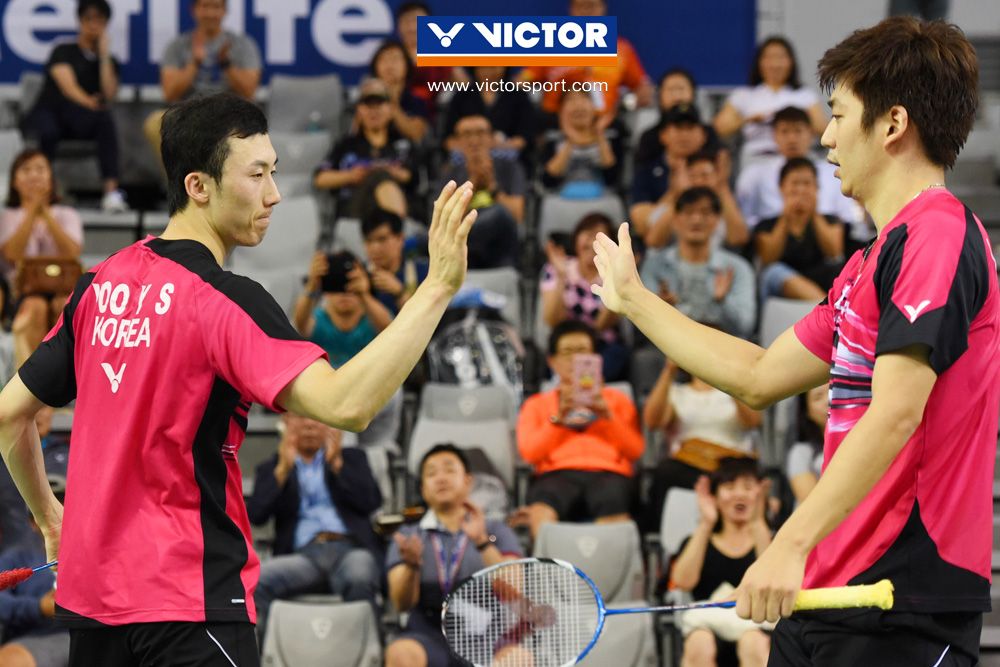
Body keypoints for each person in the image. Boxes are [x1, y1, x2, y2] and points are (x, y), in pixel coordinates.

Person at [0, 92, 478, 665]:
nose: (274, 193)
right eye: (256, 175)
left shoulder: (99, 285)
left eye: (274, 171)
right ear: (199, 186)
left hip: (92, 607)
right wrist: (437, 288)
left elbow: (8, 416)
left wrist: (52, 517)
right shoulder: (225, 301)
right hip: (189, 603)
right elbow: (348, 405)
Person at [590, 17, 995, 666]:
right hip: (825, 595)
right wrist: (636, 300)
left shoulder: (938, 237)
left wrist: (787, 542)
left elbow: (896, 412)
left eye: (838, 114)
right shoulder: (868, 264)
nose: (827, 135)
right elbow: (757, 374)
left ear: (891, 125)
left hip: (900, 603)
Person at [384, 444, 522, 667]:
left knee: (519, 660)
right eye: (431, 473)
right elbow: (401, 603)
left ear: (468, 481)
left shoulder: (495, 530)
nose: (440, 478)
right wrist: (411, 566)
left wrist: (482, 543)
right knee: (402, 654)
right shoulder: (409, 536)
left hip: (487, 635)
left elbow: (514, 590)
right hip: (429, 632)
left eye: (449, 470)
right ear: (422, 489)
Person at [247, 414, 382, 639]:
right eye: (302, 419)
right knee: (258, 581)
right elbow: (257, 515)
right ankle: (270, 655)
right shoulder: (273, 467)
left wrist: (338, 464)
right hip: (303, 558)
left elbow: (370, 502)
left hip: (349, 550)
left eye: (317, 418)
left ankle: (368, 654)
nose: (309, 424)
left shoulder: (353, 458)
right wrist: (282, 470)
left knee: (360, 575)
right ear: (287, 423)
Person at [516, 320, 643, 538]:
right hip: (556, 475)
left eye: (583, 351)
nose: (575, 359)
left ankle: (609, 570)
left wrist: (607, 416)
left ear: (596, 358)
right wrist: (558, 420)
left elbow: (635, 451)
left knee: (615, 501)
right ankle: (547, 570)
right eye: (567, 352)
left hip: (608, 475)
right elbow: (529, 453)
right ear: (552, 362)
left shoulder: (617, 400)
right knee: (541, 508)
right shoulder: (536, 404)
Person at [21, 0, 126, 212]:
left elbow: (109, 94)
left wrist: (104, 56)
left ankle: (111, 192)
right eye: (89, 19)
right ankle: (43, 192)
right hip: (51, 111)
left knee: (105, 121)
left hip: (79, 119)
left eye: (99, 20)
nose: (93, 25)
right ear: (80, 21)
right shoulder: (63, 50)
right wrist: (90, 102)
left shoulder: (109, 60)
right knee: (47, 131)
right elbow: (67, 86)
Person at [642, 354, 760, 531]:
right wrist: (669, 371)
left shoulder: (733, 391)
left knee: (741, 476)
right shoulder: (677, 393)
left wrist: (730, 380)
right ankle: (660, 540)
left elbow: (753, 421)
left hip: (731, 463)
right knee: (664, 472)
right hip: (687, 465)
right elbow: (652, 422)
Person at [671, 460, 772, 667]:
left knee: (753, 643)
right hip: (709, 626)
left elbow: (772, 580)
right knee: (699, 644)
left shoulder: (774, 543)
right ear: (714, 497)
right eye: (729, 487)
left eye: (748, 487)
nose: (739, 494)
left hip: (758, 627)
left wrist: (757, 523)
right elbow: (683, 581)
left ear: (760, 494)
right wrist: (706, 522)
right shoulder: (696, 541)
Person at [144, 0, 263, 156]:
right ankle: (176, 179)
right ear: (194, 10)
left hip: (230, 113)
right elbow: (169, 93)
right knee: (154, 122)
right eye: (205, 6)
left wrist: (226, 64)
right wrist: (194, 63)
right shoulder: (177, 46)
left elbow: (249, 91)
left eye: (216, 7)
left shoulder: (243, 44)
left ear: (224, 11)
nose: (210, 13)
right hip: (188, 113)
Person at [0, 150, 83, 366]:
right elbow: (11, 254)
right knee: (35, 307)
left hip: (62, 289)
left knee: (61, 306)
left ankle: (66, 382)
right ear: (15, 181)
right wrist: (31, 213)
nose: (34, 175)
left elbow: (72, 252)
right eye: (26, 170)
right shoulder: (7, 216)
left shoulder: (67, 214)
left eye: (40, 169)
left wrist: (44, 213)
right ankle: (34, 386)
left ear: (50, 178)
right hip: (20, 293)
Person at [640, 187, 755, 339]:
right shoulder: (654, 266)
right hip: (668, 346)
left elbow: (745, 326)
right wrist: (663, 310)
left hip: (722, 345)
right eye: (688, 212)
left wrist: (722, 302)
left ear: (717, 220)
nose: (696, 219)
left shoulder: (737, 268)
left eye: (705, 213)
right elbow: (643, 324)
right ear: (675, 219)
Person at [520, 0, 653, 127]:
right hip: (555, 120)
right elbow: (525, 78)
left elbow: (641, 84)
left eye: (591, 6)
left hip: (604, 121)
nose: (586, 12)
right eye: (581, 6)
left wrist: (642, 94)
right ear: (571, 9)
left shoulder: (622, 49)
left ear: (603, 8)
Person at [736, 106, 863, 231]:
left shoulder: (833, 173)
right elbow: (746, 221)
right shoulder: (755, 174)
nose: (792, 139)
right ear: (774, 135)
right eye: (784, 131)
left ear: (811, 133)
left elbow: (848, 218)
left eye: (798, 131)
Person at [314, 78, 419, 221]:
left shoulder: (403, 145)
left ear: (391, 109)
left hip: (399, 202)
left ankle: (391, 231)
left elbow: (413, 176)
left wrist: (392, 173)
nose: (374, 111)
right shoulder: (346, 145)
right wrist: (351, 176)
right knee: (379, 176)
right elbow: (320, 178)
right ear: (359, 111)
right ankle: (396, 235)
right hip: (355, 207)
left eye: (379, 104)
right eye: (368, 105)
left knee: (381, 176)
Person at [713, 36, 827, 167]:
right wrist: (748, 120)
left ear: (791, 62)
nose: (775, 64)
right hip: (755, 159)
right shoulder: (744, 95)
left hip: (796, 161)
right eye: (769, 58)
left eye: (781, 57)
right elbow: (719, 128)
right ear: (759, 62)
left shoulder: (804, 95)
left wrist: (794, 118)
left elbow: (823, 128)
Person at [541, 213, 628, 380]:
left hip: (601, 344)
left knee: (615, 356)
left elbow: (603, 324)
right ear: (575, 240)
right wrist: (561, 276)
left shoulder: (612, 273)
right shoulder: (556, 268)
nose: (591, 242)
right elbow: (552, 320)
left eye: (599, 237)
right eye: (586, 235)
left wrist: (615, 279)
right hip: (565, 343)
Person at [752, 158, 846, 301]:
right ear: (781, 187)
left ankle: (825, 310)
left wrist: (813, 213)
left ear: (817, 188)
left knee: (839, 270)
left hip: (821, 281)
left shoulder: (830, 221)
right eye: (795, 183)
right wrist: (786, 216)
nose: (801, 190)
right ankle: (828, 311)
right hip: (780, 291)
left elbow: (834, 253)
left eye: (807, 183)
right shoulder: (767, 225)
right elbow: (768, 258)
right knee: (774, 272)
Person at [439, 114, 524, 269]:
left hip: (499, 247)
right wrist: (473, 183)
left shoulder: (509, 168)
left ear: (492, 138)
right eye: (467, 135)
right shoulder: (450, 173)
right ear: (457, 142)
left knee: (499, 214)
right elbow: (444, 221)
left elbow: (517, 216)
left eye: (480, 133)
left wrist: (492, 187)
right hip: (461, 251)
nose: (474, 141)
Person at [0, 493, 68, 667]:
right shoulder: (17, 558)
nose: (58, 516)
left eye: (63, 507)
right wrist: (39, 607)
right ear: (32, 522)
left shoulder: (94, 557)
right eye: (46, 513)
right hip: (33, 636)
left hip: (76, 634)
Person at [292, 250, 392, 367]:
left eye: (350, 283)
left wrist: (364, 294)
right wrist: (312, 285)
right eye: (336, 284)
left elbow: (389, 329)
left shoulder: (372, 319)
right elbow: (300, 322)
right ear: (326, 289)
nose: (344, 293)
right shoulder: (318, 320)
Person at [630, 104, 708, 238]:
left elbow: (735, 234)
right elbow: (641, 225)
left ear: (703, 135)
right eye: (678, 128)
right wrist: (674, 194)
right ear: (663, 135)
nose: (684, 135)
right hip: (660, 245)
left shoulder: (712, 169)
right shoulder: (647, 170)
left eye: (690, 128)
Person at [645, 151, 748, 251]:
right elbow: (654, 241)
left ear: (717, 176)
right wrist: (679, 194)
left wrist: (722, 186)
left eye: (705, 175)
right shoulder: (668, 206)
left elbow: (739, 239)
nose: (698, 182)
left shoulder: (727, 207)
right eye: (692, 176)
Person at [443, 66, 536, 164]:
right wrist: (471, 147)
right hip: (466, 157)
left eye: (493, 67)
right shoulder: (462, 95)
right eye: (483, 67)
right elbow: (448, 138)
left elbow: (525, 137)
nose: (488, 71)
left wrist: (498, 145)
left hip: (506, 157)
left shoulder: (518, 95)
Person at [540, 89, 620, 198]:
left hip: (602, 201)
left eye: (584, 98)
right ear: (561, 110)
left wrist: (599, 134)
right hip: (560, 202)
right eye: (571, 100)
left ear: (594, 107)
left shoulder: (611, 137)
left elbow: (612, 179)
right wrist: (570, 138)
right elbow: (548, 182)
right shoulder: (553, 140)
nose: (578, 105)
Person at [635, 68, 722, 165]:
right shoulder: (650, 137)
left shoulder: (708, 133)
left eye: (681, 89)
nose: (676, 95)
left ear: (693, 93)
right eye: (670, 89)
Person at [360, 208, 428, 315]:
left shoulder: (423, 272)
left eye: (382, 239)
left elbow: (427, 318)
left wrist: (399, 292)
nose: (375, 248)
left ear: (400, 238)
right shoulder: (359, 275)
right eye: (369, 241)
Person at [369, 40, 430, 144]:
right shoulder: (367, 99)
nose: (389, 64)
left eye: (395, 59)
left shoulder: (416, 101)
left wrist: (392, 104)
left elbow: (416, 134)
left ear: (407, 65)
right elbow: (355, 136)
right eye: (384, 59)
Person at [786, 384, 828, 505]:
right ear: (807, 411)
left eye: (833, 390)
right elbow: (811, 503)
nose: (828, 400)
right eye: (818, 397)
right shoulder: (801, 452)